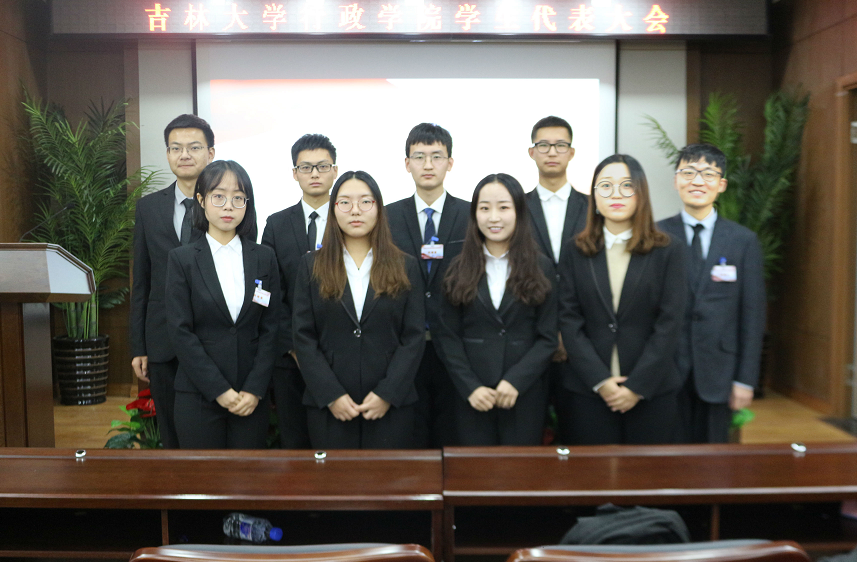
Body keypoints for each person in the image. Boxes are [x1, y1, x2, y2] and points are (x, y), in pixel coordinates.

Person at [558, 154, 686, 444]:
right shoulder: (575, 250)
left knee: (646, 471)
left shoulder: (668, 250)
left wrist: (637, 386)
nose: (615, 194)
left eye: (627, 185)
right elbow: (569, 320)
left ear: (641, 193)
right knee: (593, 470)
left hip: (651, 391)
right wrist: (600, 381)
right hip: (588, 390)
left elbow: (669, 324)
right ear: (594, 196)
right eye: (605, 186)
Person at [292, 171, 425, 449]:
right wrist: (331, 395)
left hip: (391, 407)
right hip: (330, 407)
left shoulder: (406, 265)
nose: (355, 210)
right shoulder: (311, 266)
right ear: (333, 209)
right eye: (345, 202)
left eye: (365, 201)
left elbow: (413, 337)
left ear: (379, 208)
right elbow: (303, 337)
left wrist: (388, 393)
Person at [434, 173, 557, 445]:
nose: (493, 217)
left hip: (524, 395)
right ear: (474, 214)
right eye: (484, 208)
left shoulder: (542, 267)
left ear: (519, 212)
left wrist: (516, 382)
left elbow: (548, 338)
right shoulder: (457, 268)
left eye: (503, 207)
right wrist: (471, 387)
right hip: (472, 397)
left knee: (520, 468)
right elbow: (448, 336)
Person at [165, 160, 280, 449]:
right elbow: (181, 332)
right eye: (218, 196)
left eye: (238, 198)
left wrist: (254, 389)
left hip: (250, 398)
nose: (228, 206)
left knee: (248, 475)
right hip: (198, 395)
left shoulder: (264, 258)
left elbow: (270, 328)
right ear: (201, 200)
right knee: (203, 475)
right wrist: (219, 390)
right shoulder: (182, 259)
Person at [658, 143, 766, 443]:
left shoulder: (743, 241)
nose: (697, 181)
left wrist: (745, 380)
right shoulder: (656, 236)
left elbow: (753, 315)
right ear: (676, 180)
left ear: (722, 184)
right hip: (666, 371)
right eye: (688, 172)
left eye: (708, 174)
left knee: (714, 461)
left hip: (721, 373)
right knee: (667, 457)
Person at [130, 114, 215, 449]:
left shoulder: (226, 205)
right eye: (175, 148)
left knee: (209, 429)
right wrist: (138, 346)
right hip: (162, 339)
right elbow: (142, 281)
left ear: (210, 153)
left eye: (194, 147)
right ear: (167, 154)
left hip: (212, 338)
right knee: (170, 431)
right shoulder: (148, 208)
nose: (184, 155)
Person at [387, 123, 470, 448]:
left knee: (454, 435)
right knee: (411, 437)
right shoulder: (388, 217)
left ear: (450, 162)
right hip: (403, 347)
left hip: (458, 345)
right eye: (419, 157)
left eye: (437, 156)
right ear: (407, 163)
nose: (428, 164)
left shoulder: (470, 214)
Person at [261, 134, 339, 449]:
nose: (315, 173)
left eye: (323, 166)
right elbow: (269, 292)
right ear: (295, 173)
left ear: (335, 170)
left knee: (335, 437)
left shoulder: (352, 219)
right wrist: (294, 347)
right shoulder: (276, 224)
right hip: (290, 357)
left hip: (340, 352)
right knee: (294, 440)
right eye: (306, 167)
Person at [526, 116, 590, 444]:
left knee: (579, 434)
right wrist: (548, 335)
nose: (552, 151)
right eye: (544, 145)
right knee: (529, 435)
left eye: (560, 145)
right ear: (531, 152)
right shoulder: (514, 209)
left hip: (582, 342)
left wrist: (568, 334)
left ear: (572, 152)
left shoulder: (593, 208)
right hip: (528, 340)